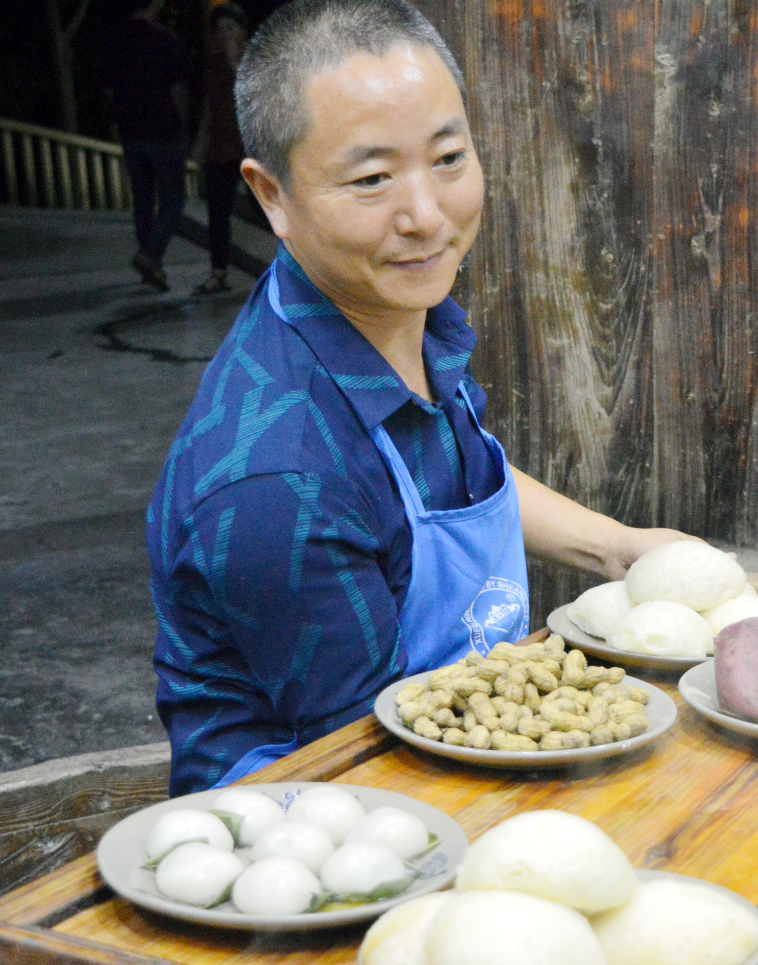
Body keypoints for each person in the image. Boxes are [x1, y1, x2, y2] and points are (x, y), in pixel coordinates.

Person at [147, 0, 692, 795]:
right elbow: (376, 774)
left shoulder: (385, 311)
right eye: (371, 180)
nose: (427, 217)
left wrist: (620, 548)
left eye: (447, 158)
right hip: (326, 837)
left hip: (449, 751)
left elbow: (446, 479)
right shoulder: (278, 484)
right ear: (272, 197)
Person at [102, 0, 188, 292]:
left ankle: (152, 266)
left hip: (131, 131)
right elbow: (176, 87)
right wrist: (183, 123)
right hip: (163, 129)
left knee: (142, 200)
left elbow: (111, 89)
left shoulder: (114, 39)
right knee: (173, 201)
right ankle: (149, 256)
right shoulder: (165, 39)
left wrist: (117, 121)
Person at [191, 0, 250, 296]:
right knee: (217, 212)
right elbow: (209, 107)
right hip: (222, 147)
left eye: (231, 28)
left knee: (265, 208)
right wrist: (200, 145)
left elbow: (249, 94)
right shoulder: (212, 66)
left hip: (251, 146)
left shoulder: (253, 59)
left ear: (242, 31)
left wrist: (232, 59)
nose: (225, 34)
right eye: (220, 29)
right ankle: (218, 272)